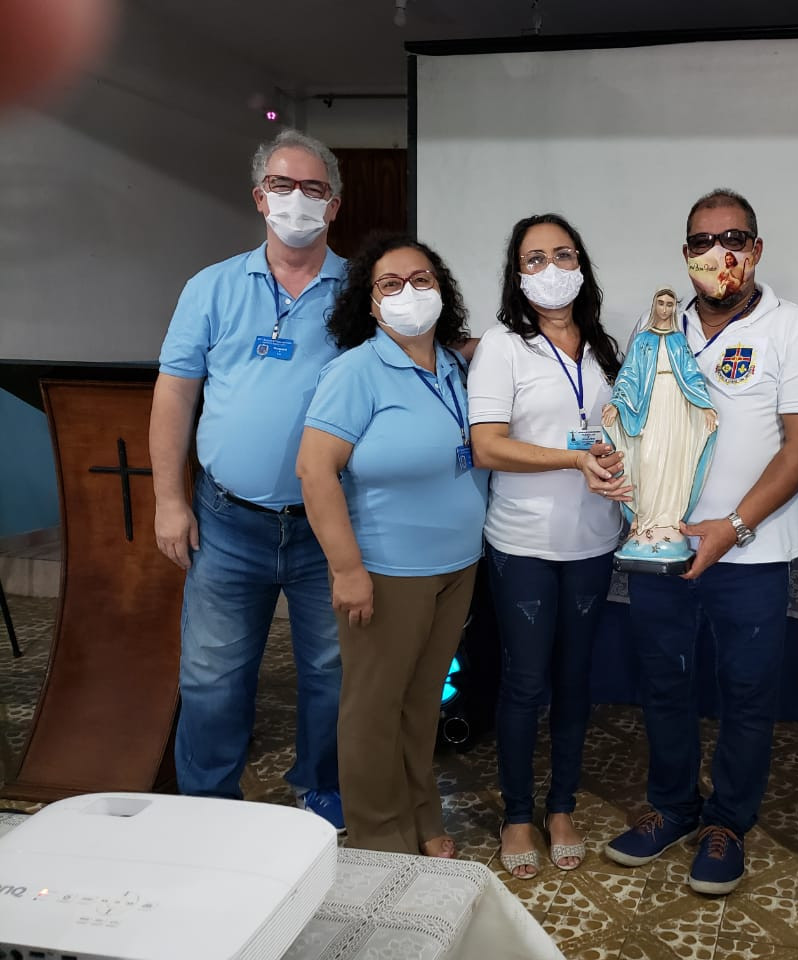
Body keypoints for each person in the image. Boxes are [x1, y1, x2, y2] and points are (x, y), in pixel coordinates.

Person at [604, 188, 798, 895]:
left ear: (756, 249)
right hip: (661, 545)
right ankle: (673, 806)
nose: (718, 254)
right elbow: (635, 415)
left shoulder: (791, 326)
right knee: (664, 683)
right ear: (685, 254)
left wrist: (733, 527)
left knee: (746, 691)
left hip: (752, 555)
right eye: (702, 242)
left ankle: (729, 822)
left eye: (733, 239)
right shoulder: (658, 324)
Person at [150, 130, 346, 828]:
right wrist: (168, 501)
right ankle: (208, 808)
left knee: (332, 672)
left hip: (328, 526)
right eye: (283, 186)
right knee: (212, 676)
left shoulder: (362, 292)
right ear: (260, 197)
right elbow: (175, 394)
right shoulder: (211, 288)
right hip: (227, 521)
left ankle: (322, 790)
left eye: (314, 189)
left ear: (334, 205)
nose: (298, 200)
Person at [296, 234, 487, 856]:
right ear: (371, 302)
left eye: (422, 279)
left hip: (457, 566)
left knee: (422, 702)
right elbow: (314, 471)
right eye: (391, 283)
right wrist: (347, 569)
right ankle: (381, 836)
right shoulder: (356, 371)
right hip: (386, 571)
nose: (409, 292)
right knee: (374, 708)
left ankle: (423, 816)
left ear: (442, 290)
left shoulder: (454, 368)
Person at [468, 213, 625, 878]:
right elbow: (487, 445)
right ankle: (516, 815)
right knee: (526, 682)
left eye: (564, 255)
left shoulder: (605, 348)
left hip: (593, 541)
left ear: (582, 264)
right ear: (517, 274)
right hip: (524, 543)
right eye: (535, 259)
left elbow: (620, 430)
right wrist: (573, 459)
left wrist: (618, 458)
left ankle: (561, 807)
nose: (551, 269)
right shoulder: (503, 346)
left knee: (575, 679)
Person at [604, 287, 718, 566]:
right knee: (648, 460)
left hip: (676, 406)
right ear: (654, 306)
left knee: (673, 463)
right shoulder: (642, 340)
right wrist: (617, 403)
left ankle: (667, 522)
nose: (665, 309)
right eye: (661, 303)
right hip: (649, 406)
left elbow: (691, 374)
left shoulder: (679, 341)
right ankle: (644, 520)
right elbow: (629, 374)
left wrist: (705, 405)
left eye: (670, 304)